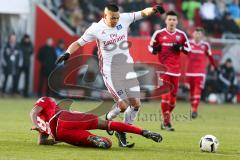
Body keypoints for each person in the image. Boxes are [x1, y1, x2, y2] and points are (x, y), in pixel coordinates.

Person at [56, 3, 165, 147]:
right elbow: (78, 42)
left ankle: (122, 131)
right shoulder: (96, 28)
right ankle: (109, 117)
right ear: (105, 16)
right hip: (110, 72)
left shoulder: (124, 19)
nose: (115, 20)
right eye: (112, 18)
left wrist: (154, 9)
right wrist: (67, 53)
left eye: (117, 17)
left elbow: (143, 13)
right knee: (123, 105)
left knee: (136, 104)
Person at [30, 97, 162, 149]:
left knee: (107, 144)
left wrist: (50, 136)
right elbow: (33, 112)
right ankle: (143, 132)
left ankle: (92, 138)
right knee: (106, 124)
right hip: (65, 118)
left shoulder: (41, 125)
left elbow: (42, 142)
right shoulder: (45, 101)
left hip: (61, 134)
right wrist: (36, 125)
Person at [149, 11, 191, 131]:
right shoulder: (159, 34)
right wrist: (155, 49)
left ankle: (165, 120)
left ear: (177, 21)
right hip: (163, 70)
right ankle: (167, 123)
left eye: (174, 19)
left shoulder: (181, 35)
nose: (171, 22)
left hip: (176, 71)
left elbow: (189, 49)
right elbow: (150, 47)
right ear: (166, 21)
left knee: (173, 100)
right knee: (166, 96)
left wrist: (181, 48)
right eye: (170, 19)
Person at [185, 27, 217, 119]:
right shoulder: (188, 44)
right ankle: (193, 107)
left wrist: (213, 66)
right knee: (191, 93)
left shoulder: (205, 45)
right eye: (196, 33)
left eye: (199, 34)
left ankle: (194, 110)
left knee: (197, 90)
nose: (197, 35)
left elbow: (210, 57)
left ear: (202, 35)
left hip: (200, 73)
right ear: (193, 34)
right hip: (189, 72)